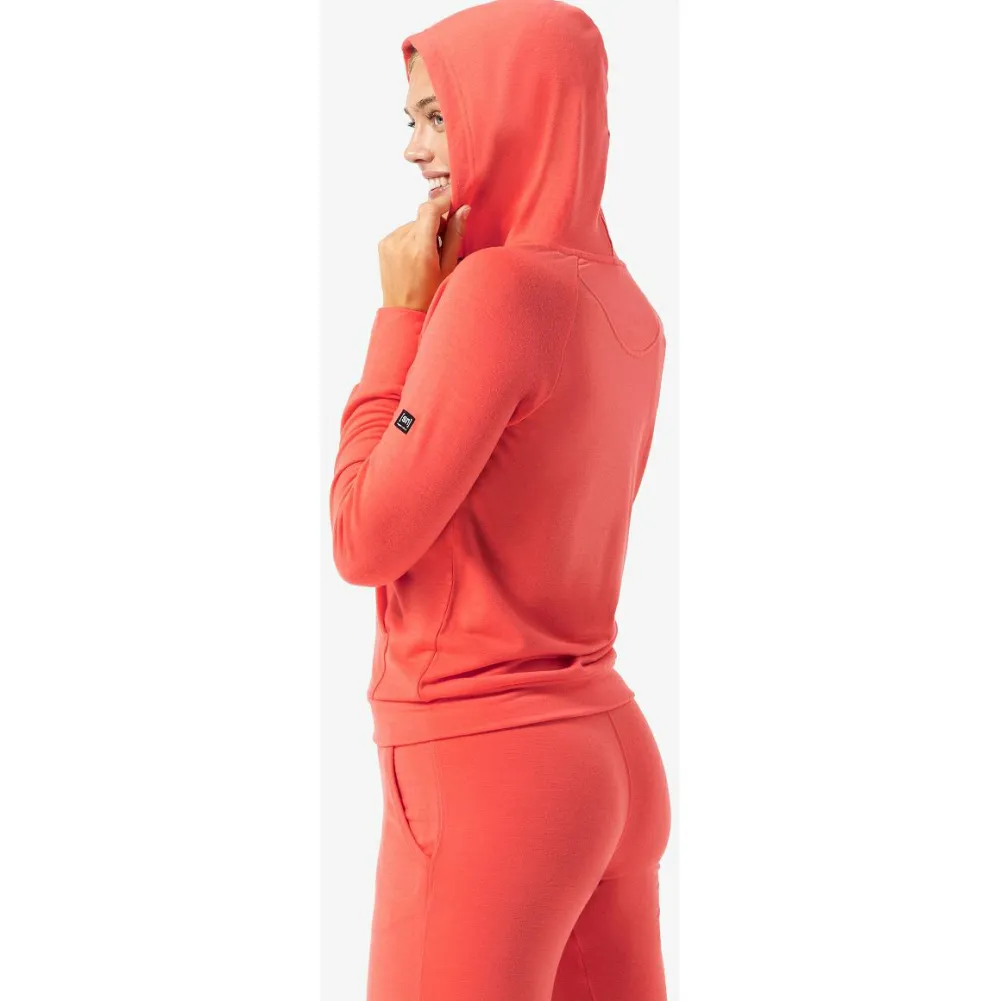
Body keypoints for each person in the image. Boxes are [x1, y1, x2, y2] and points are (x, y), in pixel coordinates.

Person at [329, 1, 672, 997]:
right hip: (606, 750)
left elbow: (363, 535)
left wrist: (401, 317)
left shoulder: (495, 294)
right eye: (410, 120)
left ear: (515, 110)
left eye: (439, 117)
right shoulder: (628, 306)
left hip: (487, 766)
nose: (413, 149)